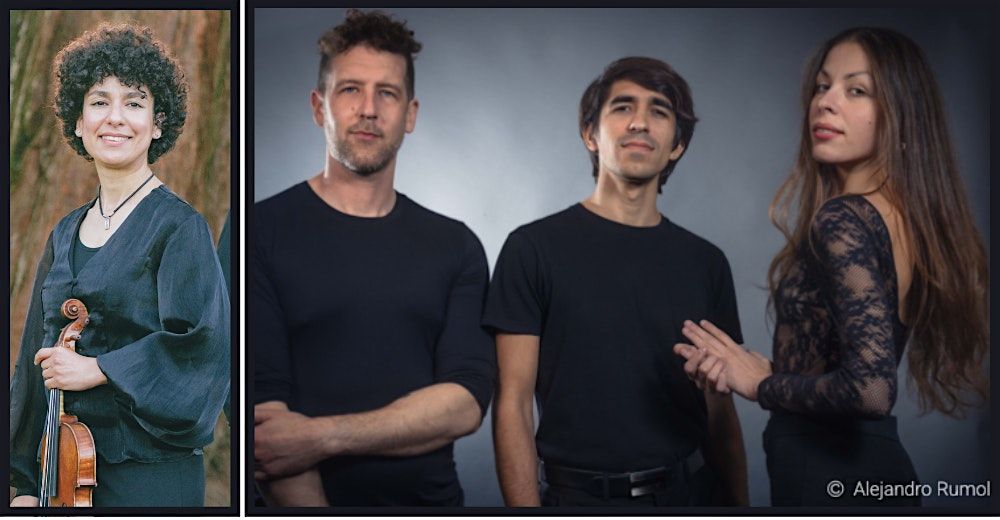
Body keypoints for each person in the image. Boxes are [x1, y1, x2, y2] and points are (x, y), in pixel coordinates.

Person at [674, 27, 989, 506]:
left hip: (831, 478)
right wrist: (770, 371)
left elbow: (870, 391)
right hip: (870, 472)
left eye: (857, 90)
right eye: (823, 86)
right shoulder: (901, 218)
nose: (825, 102)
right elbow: (854, 366)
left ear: (903, 116)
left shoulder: (843, 219)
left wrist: (761, 384)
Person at [251, 9, 496, 507]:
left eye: (387, 93)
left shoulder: (457, 245)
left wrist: (322, 437)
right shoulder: (259, 232)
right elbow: (268, 435)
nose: (368, 109)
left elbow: (464, 403)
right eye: (350, 89)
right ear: (319, 107)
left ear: (411, 114)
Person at [484, 56, 749, 507]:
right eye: (623, 107)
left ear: (677, 145)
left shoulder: (707, 262)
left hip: (688, 497)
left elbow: (721, 411)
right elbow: (513, 404)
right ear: (591, 134)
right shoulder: (532, 249)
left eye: (659, 111)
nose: (640, 122)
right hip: (577, 501)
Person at [9, 23, 230, 507]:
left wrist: (98, 369)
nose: (115, 118)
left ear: (157, 123)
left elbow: (202, 348)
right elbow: (35, 359)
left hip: (150, 477)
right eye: (99, 101)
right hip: (63, 473)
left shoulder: (179, 228)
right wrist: (24, 484)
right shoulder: (64, 233)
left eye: (134, 102)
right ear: (78, 122)